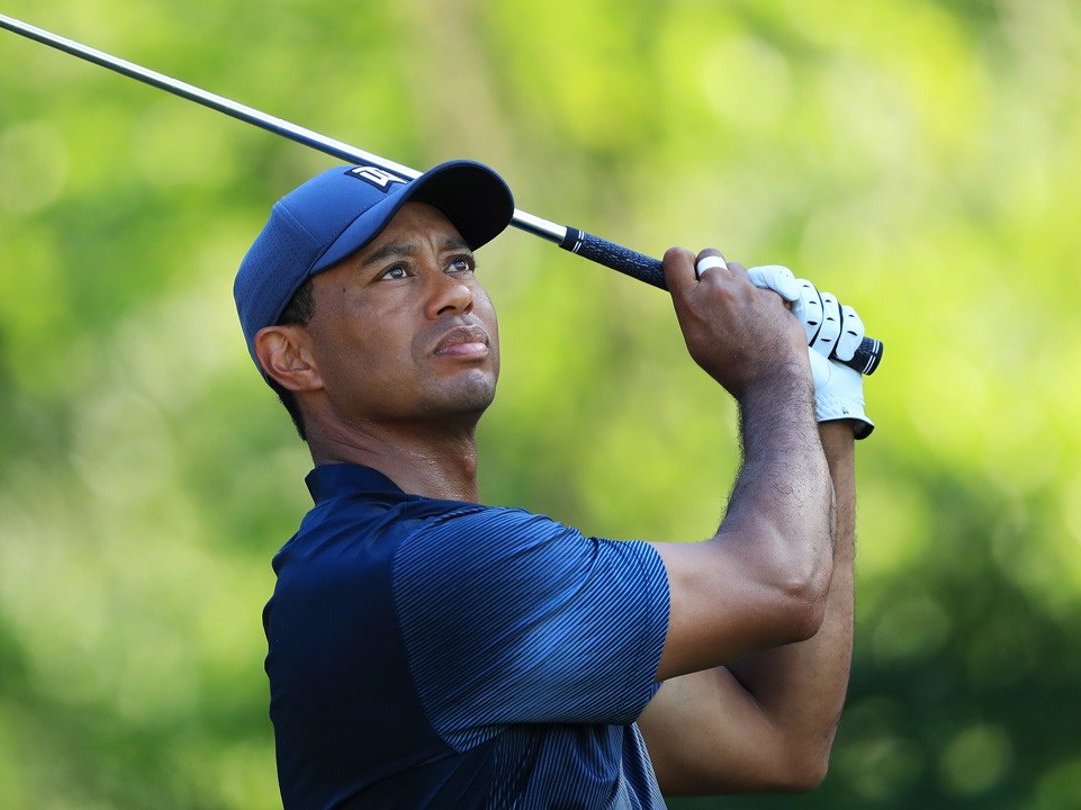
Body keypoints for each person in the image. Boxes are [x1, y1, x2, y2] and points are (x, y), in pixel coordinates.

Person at [233, 160, 871, 808]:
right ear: (294, 357)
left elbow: (779, 740)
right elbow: (784, 583)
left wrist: (824, 405)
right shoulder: (428, 572)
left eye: (459, 263)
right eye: (395, 272)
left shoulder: (462, 594)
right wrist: (774, 371)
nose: (454, 294)